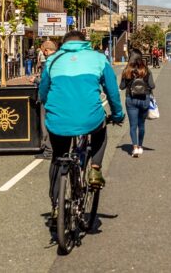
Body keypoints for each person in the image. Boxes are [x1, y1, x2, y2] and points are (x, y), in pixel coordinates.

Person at [39, 31, 124, 216]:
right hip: (90, 117)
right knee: (100, 130)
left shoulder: (52, 60)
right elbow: (113, 92)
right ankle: (95, 169)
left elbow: (42, 92)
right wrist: (117, 115)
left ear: (63, 44)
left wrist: (49, 103)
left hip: (58, 119)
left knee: (57, 157)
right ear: (84, 43)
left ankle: (56, 205)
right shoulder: (98, 59)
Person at [120, 50, 155, 157]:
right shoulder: (145, 69)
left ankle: (134, 148)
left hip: (131, 99)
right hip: (144, 99)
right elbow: (152, 85)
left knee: (133, 126)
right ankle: (140, 146)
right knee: (141, 124)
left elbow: (121, 86)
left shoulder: (127, 70)